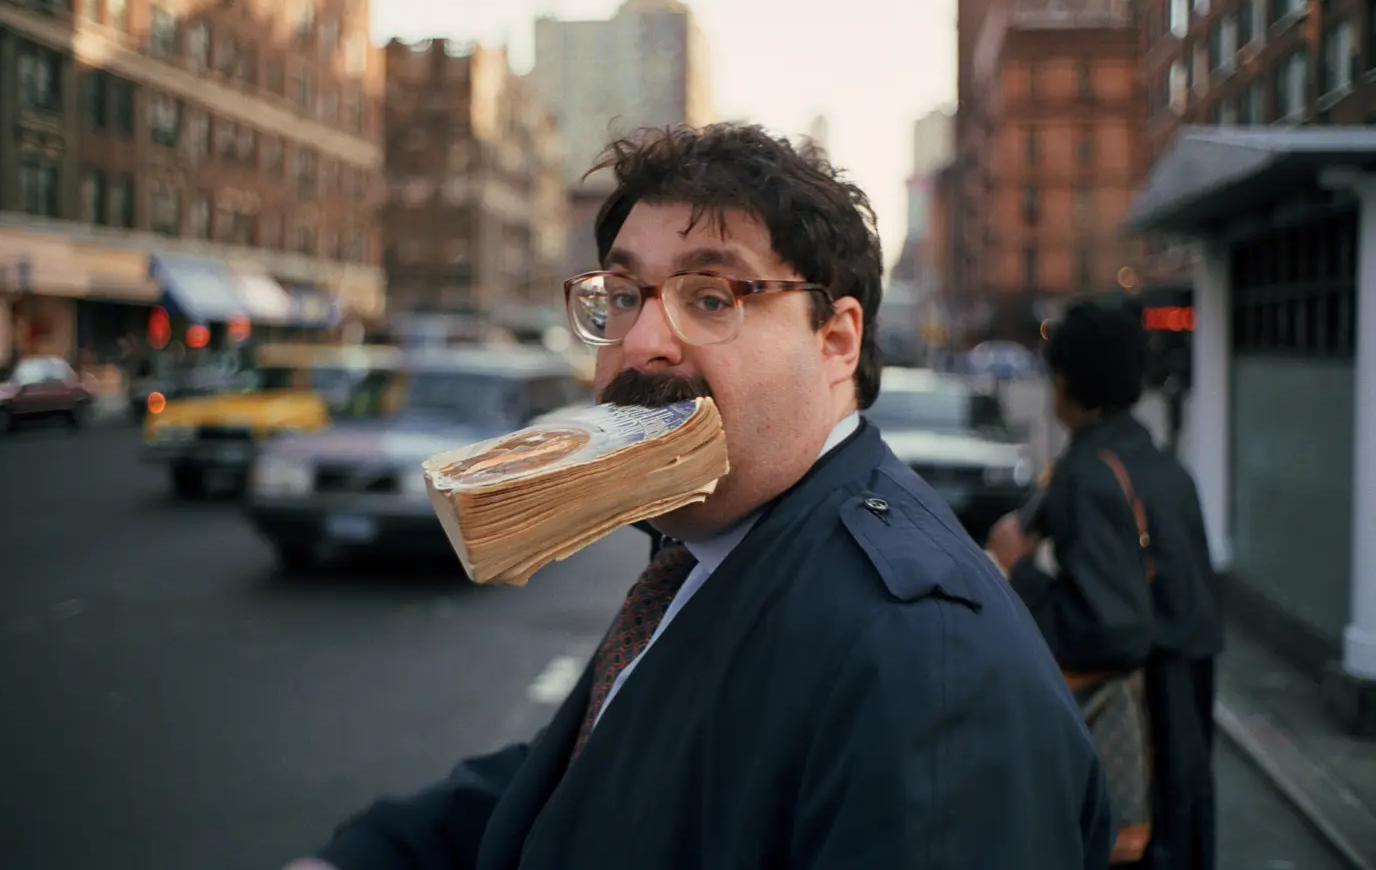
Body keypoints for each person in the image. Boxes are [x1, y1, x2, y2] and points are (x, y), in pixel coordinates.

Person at [287, 124, 1114, 870]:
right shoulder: (703, 544)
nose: (642, 343)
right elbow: (590, 774)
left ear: (836, 341)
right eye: (622, 297)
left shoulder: (925, 665)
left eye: (712, 298)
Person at [987, 299, 1224, 870]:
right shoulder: (1165, 466)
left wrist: (1019, 568)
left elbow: (1107, 628)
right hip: (1186, 724)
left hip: (1136, 737)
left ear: (1067, 383)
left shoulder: (1087, 475)